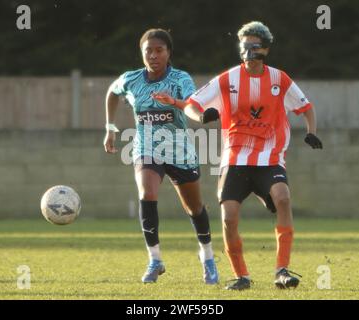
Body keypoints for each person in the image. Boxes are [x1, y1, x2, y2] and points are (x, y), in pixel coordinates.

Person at [152, 21, 322, 290]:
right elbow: (191, 105)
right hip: (235, 159)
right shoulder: (228, 79)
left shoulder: (280, 79)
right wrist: (203, 115)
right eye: (244, 46)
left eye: (254, 46)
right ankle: (241, 276)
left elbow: (306, 107)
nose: (248, 51)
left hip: (269, 158)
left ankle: (282, 270)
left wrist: (311, 131)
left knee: (283, 198)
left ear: (265, 49)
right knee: (229, 217)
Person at [103, 28, 219, 284]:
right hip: (146, 148)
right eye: (148, 51)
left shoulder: (179, 79)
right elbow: (112, 92)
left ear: (168, 53)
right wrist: (110, 128)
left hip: (179, 150)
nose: (153, 55)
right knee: (147, 193)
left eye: (159, 50)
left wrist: (174, 102)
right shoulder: (131, 80)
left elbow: (191, 104)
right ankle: (155, 260)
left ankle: (207, 256)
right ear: (142, 53)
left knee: (194, 207)